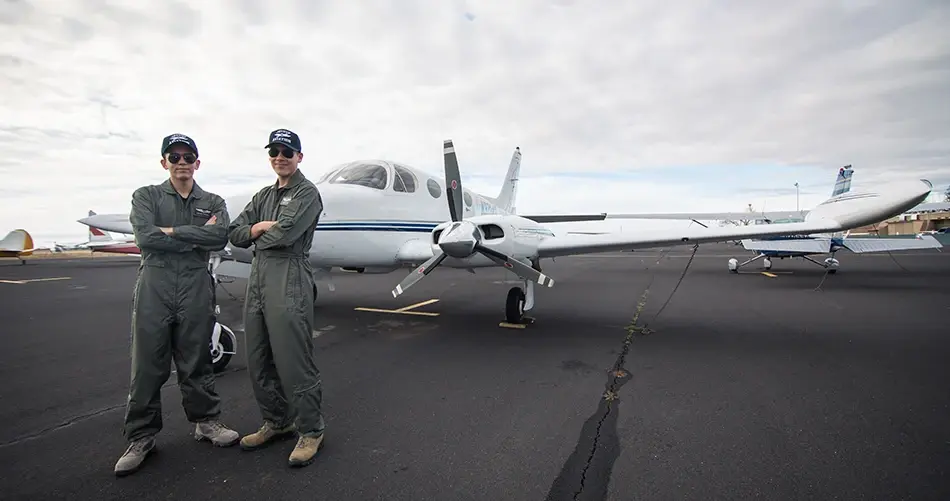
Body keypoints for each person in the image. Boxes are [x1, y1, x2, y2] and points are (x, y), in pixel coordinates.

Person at [114, 133, 240, 477]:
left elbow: (219, 236)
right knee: (147, 363)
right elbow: (145, 236)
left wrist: (169, 233)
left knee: (197, 358)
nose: (181, 162)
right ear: (164, 162)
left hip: (195, 287)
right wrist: (190, 235)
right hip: (156, 285)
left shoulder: (213, 201)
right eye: (175, 157)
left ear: (197, 163)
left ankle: (207, 422)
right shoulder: (147, 196)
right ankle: (141, 436)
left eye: (188, 157)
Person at [228, 128, 326, 468]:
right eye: (274, 152)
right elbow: (235, 232)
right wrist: (256, 229)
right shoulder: (262, 197)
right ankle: (277, 421)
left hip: (289, 275)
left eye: (287, 152)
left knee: (293, 357)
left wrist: (258, 233)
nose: (280, 157)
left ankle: (311, 430)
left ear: (300, 157)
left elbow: (285, 235)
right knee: (258, 356)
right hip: (259, 277)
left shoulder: (307, 193)